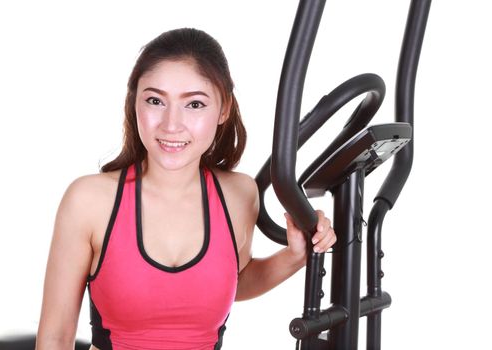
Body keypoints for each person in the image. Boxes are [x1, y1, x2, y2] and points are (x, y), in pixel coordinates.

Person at [36, 28, 336, 350]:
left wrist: (294, 256)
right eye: (155, 100)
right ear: (133, 103)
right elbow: (55, 337)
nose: (171, 124)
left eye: (194, 104)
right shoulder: (90, 201)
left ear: (223, 110)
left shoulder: (239, 194)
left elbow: (228, 282)